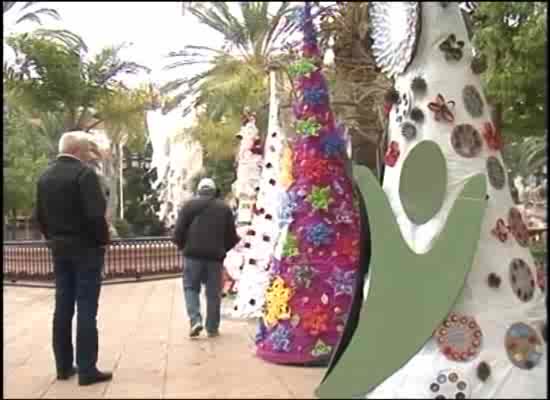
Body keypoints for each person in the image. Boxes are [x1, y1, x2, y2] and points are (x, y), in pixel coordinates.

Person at [34, 131, 112, 386]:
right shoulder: (84, 174)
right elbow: (95, 215)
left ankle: (64, 367)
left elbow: (40, 217)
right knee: (87, 307)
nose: (90, 155)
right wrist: (103, 241)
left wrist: (53, 240)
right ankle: (88, 368)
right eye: (88, 150)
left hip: (59, 249)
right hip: (86, 250)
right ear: (78, 151)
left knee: (63, 306)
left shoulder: (44, 177)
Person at [172, 178, 239, 338]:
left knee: (190, 287)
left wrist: (184, 248)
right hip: (215, 257)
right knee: (213, 292)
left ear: (199, 190)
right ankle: (212, 327)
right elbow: (231, 236)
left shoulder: (188, 205)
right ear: (214, 191)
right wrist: (222, 249)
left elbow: (178, 232)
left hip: (192, 255)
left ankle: (195, 320)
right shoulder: (224, 208)